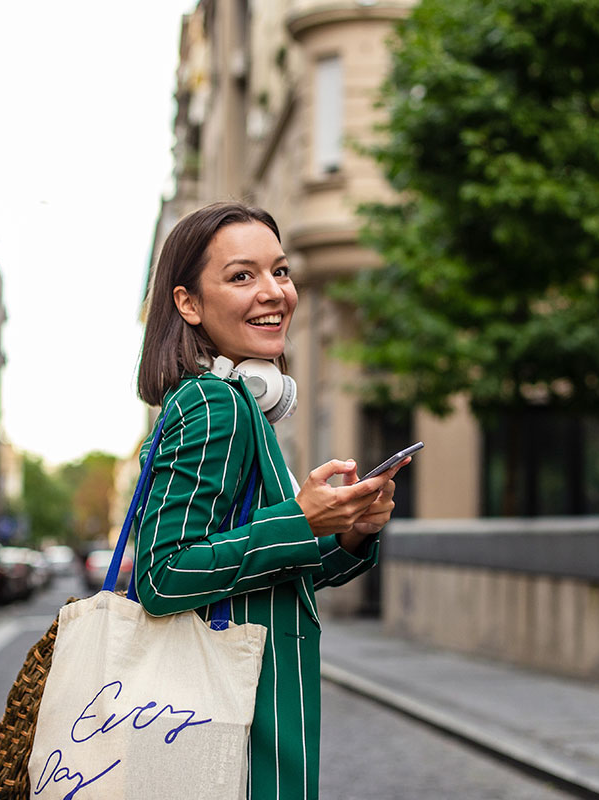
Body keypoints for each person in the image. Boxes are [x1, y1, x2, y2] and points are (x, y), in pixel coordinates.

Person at [133, 202, 403, 800]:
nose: (274, 292)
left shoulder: (238, 404)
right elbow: (163, 573)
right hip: (236, 743)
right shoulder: (215, 405)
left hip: (247, 728)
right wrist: (299, 519)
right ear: (188, 304)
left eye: (280, 271)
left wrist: (348, 533)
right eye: (241, 276)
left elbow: (268, 578)